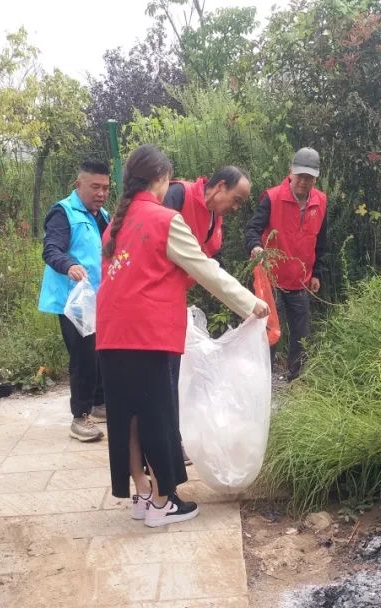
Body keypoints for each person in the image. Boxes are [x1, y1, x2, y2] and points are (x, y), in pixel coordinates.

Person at [96, 145, 268, 528]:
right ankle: (162, 504)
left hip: (111, 333)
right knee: (157, 416)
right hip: (148, 333)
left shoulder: (115, 224)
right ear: (161, 179)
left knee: (128, 418)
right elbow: (205, 269)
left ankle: (143, 494)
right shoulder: (165, 219)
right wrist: (250, 303)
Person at [163, 166, 252, 464]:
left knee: (174, 372)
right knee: (164, 374)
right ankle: (164, 448)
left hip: (175, 297)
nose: (236, 208)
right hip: (154, 298)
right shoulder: (178, 195)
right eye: (236, 199)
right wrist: (245, 303)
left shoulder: (215, 218)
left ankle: (172, 442)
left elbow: (210, 266)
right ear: (220, 186)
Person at [38, 159, 111, 442]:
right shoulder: (63, 212)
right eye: (95, 187)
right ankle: (79, 417)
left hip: (98, 297)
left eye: (105, 187)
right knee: (83, 355)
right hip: (72, 300)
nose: (101, 193)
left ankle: (100, 403)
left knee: (102, 350)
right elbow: (51, 249)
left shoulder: (102, 215)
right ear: (78, 184)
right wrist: (69, 265)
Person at [244, 147, 328, 381]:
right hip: (271, 280)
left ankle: (297, 378)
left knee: (301, 334)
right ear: (291, 171)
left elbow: (322, 240)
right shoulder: (272, 198)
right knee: (269, 331)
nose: (303, 181)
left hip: (301, 280)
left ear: (315, 178)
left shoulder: (320, 201)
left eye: (309, 177)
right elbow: (252, 229)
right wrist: (255, 246)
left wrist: (317, 272)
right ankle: (264, 379)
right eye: (299, 175)